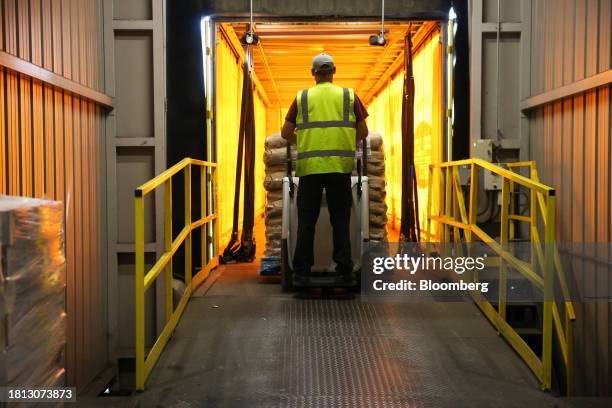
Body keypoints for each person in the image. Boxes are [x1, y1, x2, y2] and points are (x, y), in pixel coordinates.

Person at [281, 53, 369, 286]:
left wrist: (305, 143)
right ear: (334, 71)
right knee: (340, 220)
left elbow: (285, 132)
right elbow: (363, 131)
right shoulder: (349, 96)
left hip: (309, 169)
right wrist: (345, 144)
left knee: (306, 221)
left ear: (313, 73)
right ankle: (344, 270)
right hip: (339, 168)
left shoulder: (302, 98)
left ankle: (301, 272)